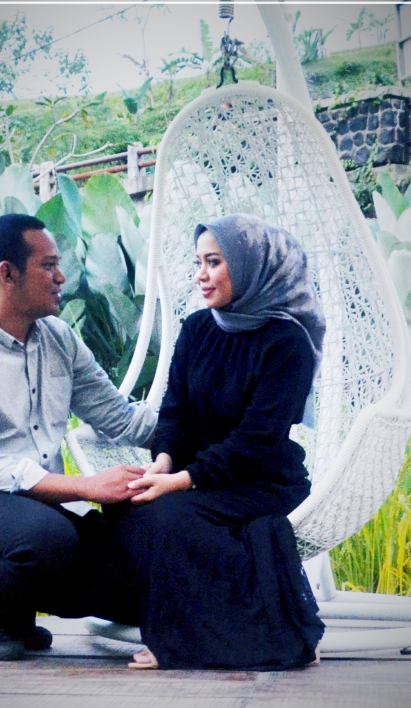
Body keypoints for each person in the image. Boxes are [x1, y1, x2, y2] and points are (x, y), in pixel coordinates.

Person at [0, 213, 156, 661]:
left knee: (134, 582)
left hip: (41, 517)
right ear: (8, 274)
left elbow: (120, 419)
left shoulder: (60, 339)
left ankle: (12, 607)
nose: (61, 277)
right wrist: (87, 487)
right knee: (48, 537)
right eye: (48, 265)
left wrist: (205, 426)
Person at [109, 213, 326, 671]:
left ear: (250, 266)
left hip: (261, 479)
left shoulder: (288, 343)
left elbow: (257, 441)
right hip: (195, 474)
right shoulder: (197, 329)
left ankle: (184, 640)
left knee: (168, 516)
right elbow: (175, 412)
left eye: (214, 262)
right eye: (198, 263)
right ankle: (167, 620)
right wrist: (162, 463)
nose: (201, 276)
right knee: (125, 507)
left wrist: (181, 482)